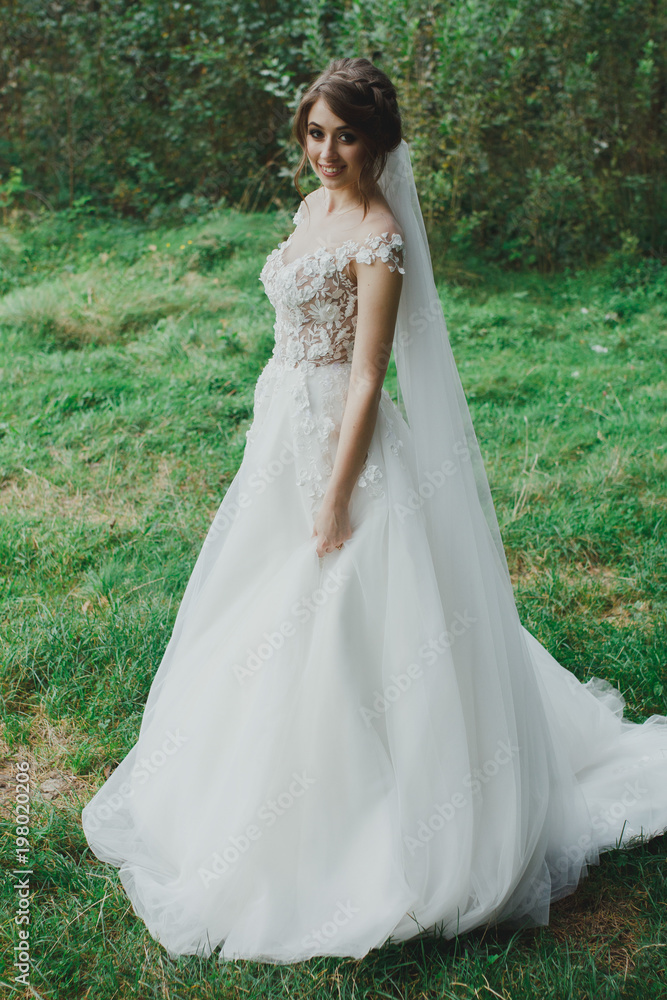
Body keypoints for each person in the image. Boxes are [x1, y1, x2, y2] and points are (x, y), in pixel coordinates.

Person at [81, 56, 667, 965]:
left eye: (345, 135)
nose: (326, 152)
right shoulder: (312, 208)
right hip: (280, 429)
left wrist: (334, 495)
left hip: (339, 445)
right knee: (255, 605)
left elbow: (364, 377)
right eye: (315, 133)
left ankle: (359, 815)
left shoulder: (379, 236)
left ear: (379, 141)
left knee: (343, 602)